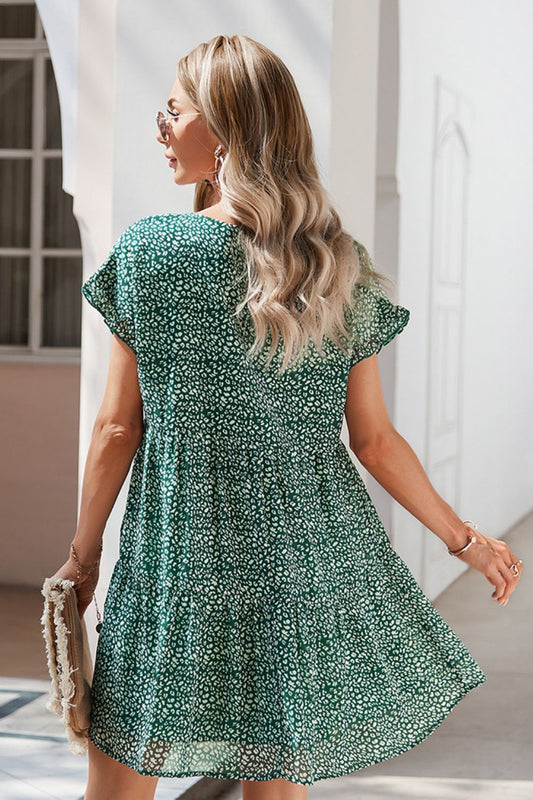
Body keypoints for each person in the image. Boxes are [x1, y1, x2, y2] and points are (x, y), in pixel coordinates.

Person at [51, 34, 523, 800]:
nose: (161, 128)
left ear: (225, 130)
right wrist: (462, 539)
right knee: (273, 787)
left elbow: (116, 429)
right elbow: (374, 441)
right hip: (296, 571)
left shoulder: (151, 254)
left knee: (119, 782)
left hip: (176, 567)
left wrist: (81, 558)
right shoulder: (333, 264)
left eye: (173, 111)